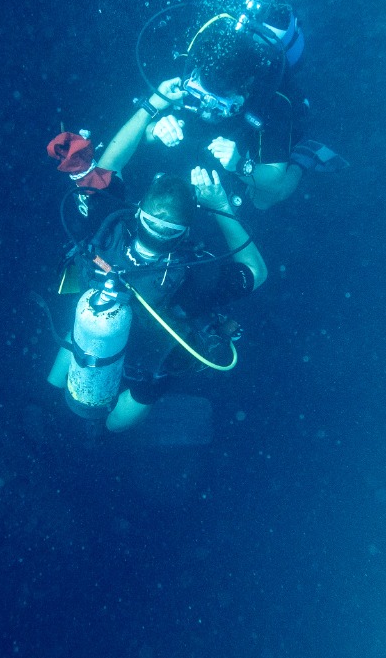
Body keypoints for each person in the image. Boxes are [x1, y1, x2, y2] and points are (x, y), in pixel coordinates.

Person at [45, 107, 267, 433]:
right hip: (147, 369)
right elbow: (255, 272)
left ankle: (51, 405)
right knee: (122, 418)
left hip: (96, 338)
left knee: (78, 337)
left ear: (137, 213)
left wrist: (151, 105)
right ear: (186, 232)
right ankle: (102, 438)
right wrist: (220, 204)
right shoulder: (199, 275)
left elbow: (108, 167)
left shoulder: (107, 228)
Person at [138, 0, 347, 210]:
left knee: (263, 200)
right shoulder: (186, 69)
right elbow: (140, 132)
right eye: (200, 95)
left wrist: (240, 165)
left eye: (217, 104)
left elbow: (276, 184)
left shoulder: (273, 102)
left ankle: (301, 158)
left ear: (243, 94)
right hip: (218, 140)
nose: (206, 110)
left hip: (249, 137)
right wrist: (154, 130)